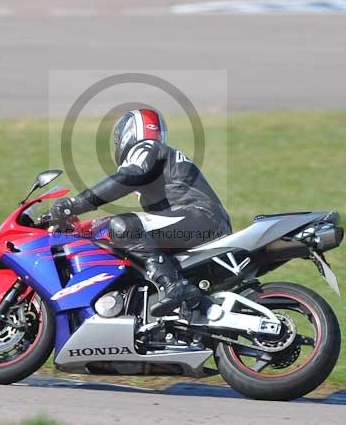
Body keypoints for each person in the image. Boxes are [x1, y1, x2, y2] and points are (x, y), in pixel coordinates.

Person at [48, 108, 232, 316]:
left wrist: (75, 203)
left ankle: (172, 285)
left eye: (117, 138)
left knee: (123, 226)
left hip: (199, 217)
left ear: (130, 132)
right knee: (124, 234)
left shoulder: (146, 146)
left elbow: (128, 176)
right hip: (201, 220)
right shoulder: (160, 156)